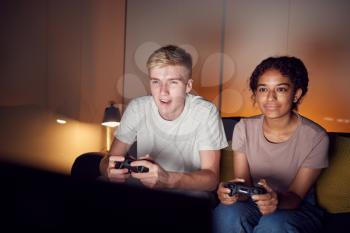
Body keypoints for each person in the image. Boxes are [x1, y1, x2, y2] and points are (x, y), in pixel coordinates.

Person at [213, 56, 329, 233]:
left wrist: (276, 201)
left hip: (296, 209)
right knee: (226, 213)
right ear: (255, 94)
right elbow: (243, 184)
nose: (270, 97)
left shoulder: (316, 137)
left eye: (281, 89)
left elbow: (296, 197)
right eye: (263, 89)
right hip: (254, 202)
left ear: (296, 94)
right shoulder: (243, 128)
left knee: (274, 225)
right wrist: (232, 192)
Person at [99, 45, 228, 192]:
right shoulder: (137, 108)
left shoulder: (206, 112)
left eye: (173, 82)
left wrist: (167, 179)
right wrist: (108, 170)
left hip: (188, 195)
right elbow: (108, 160)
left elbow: (211, 179)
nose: (163, 92)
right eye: (156, 81)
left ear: (188, 86)